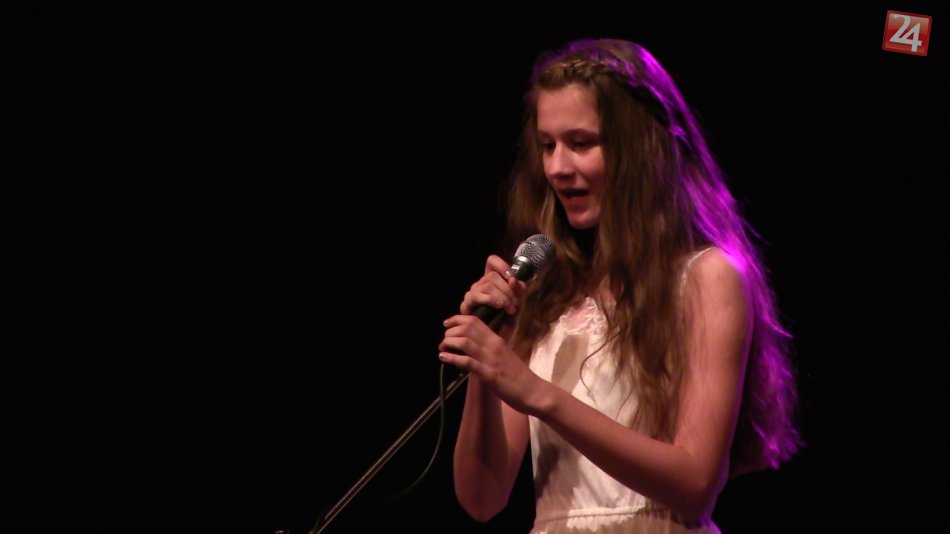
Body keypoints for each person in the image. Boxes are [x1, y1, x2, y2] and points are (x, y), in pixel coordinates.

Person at [437, 38, 800, 533]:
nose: (557, 168)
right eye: (547, 146)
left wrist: (537, 393)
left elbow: (696, 483)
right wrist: (486, 365)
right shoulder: (543, 291)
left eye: (581, 143)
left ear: (639, 149)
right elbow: (482, 499)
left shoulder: (706, 276)